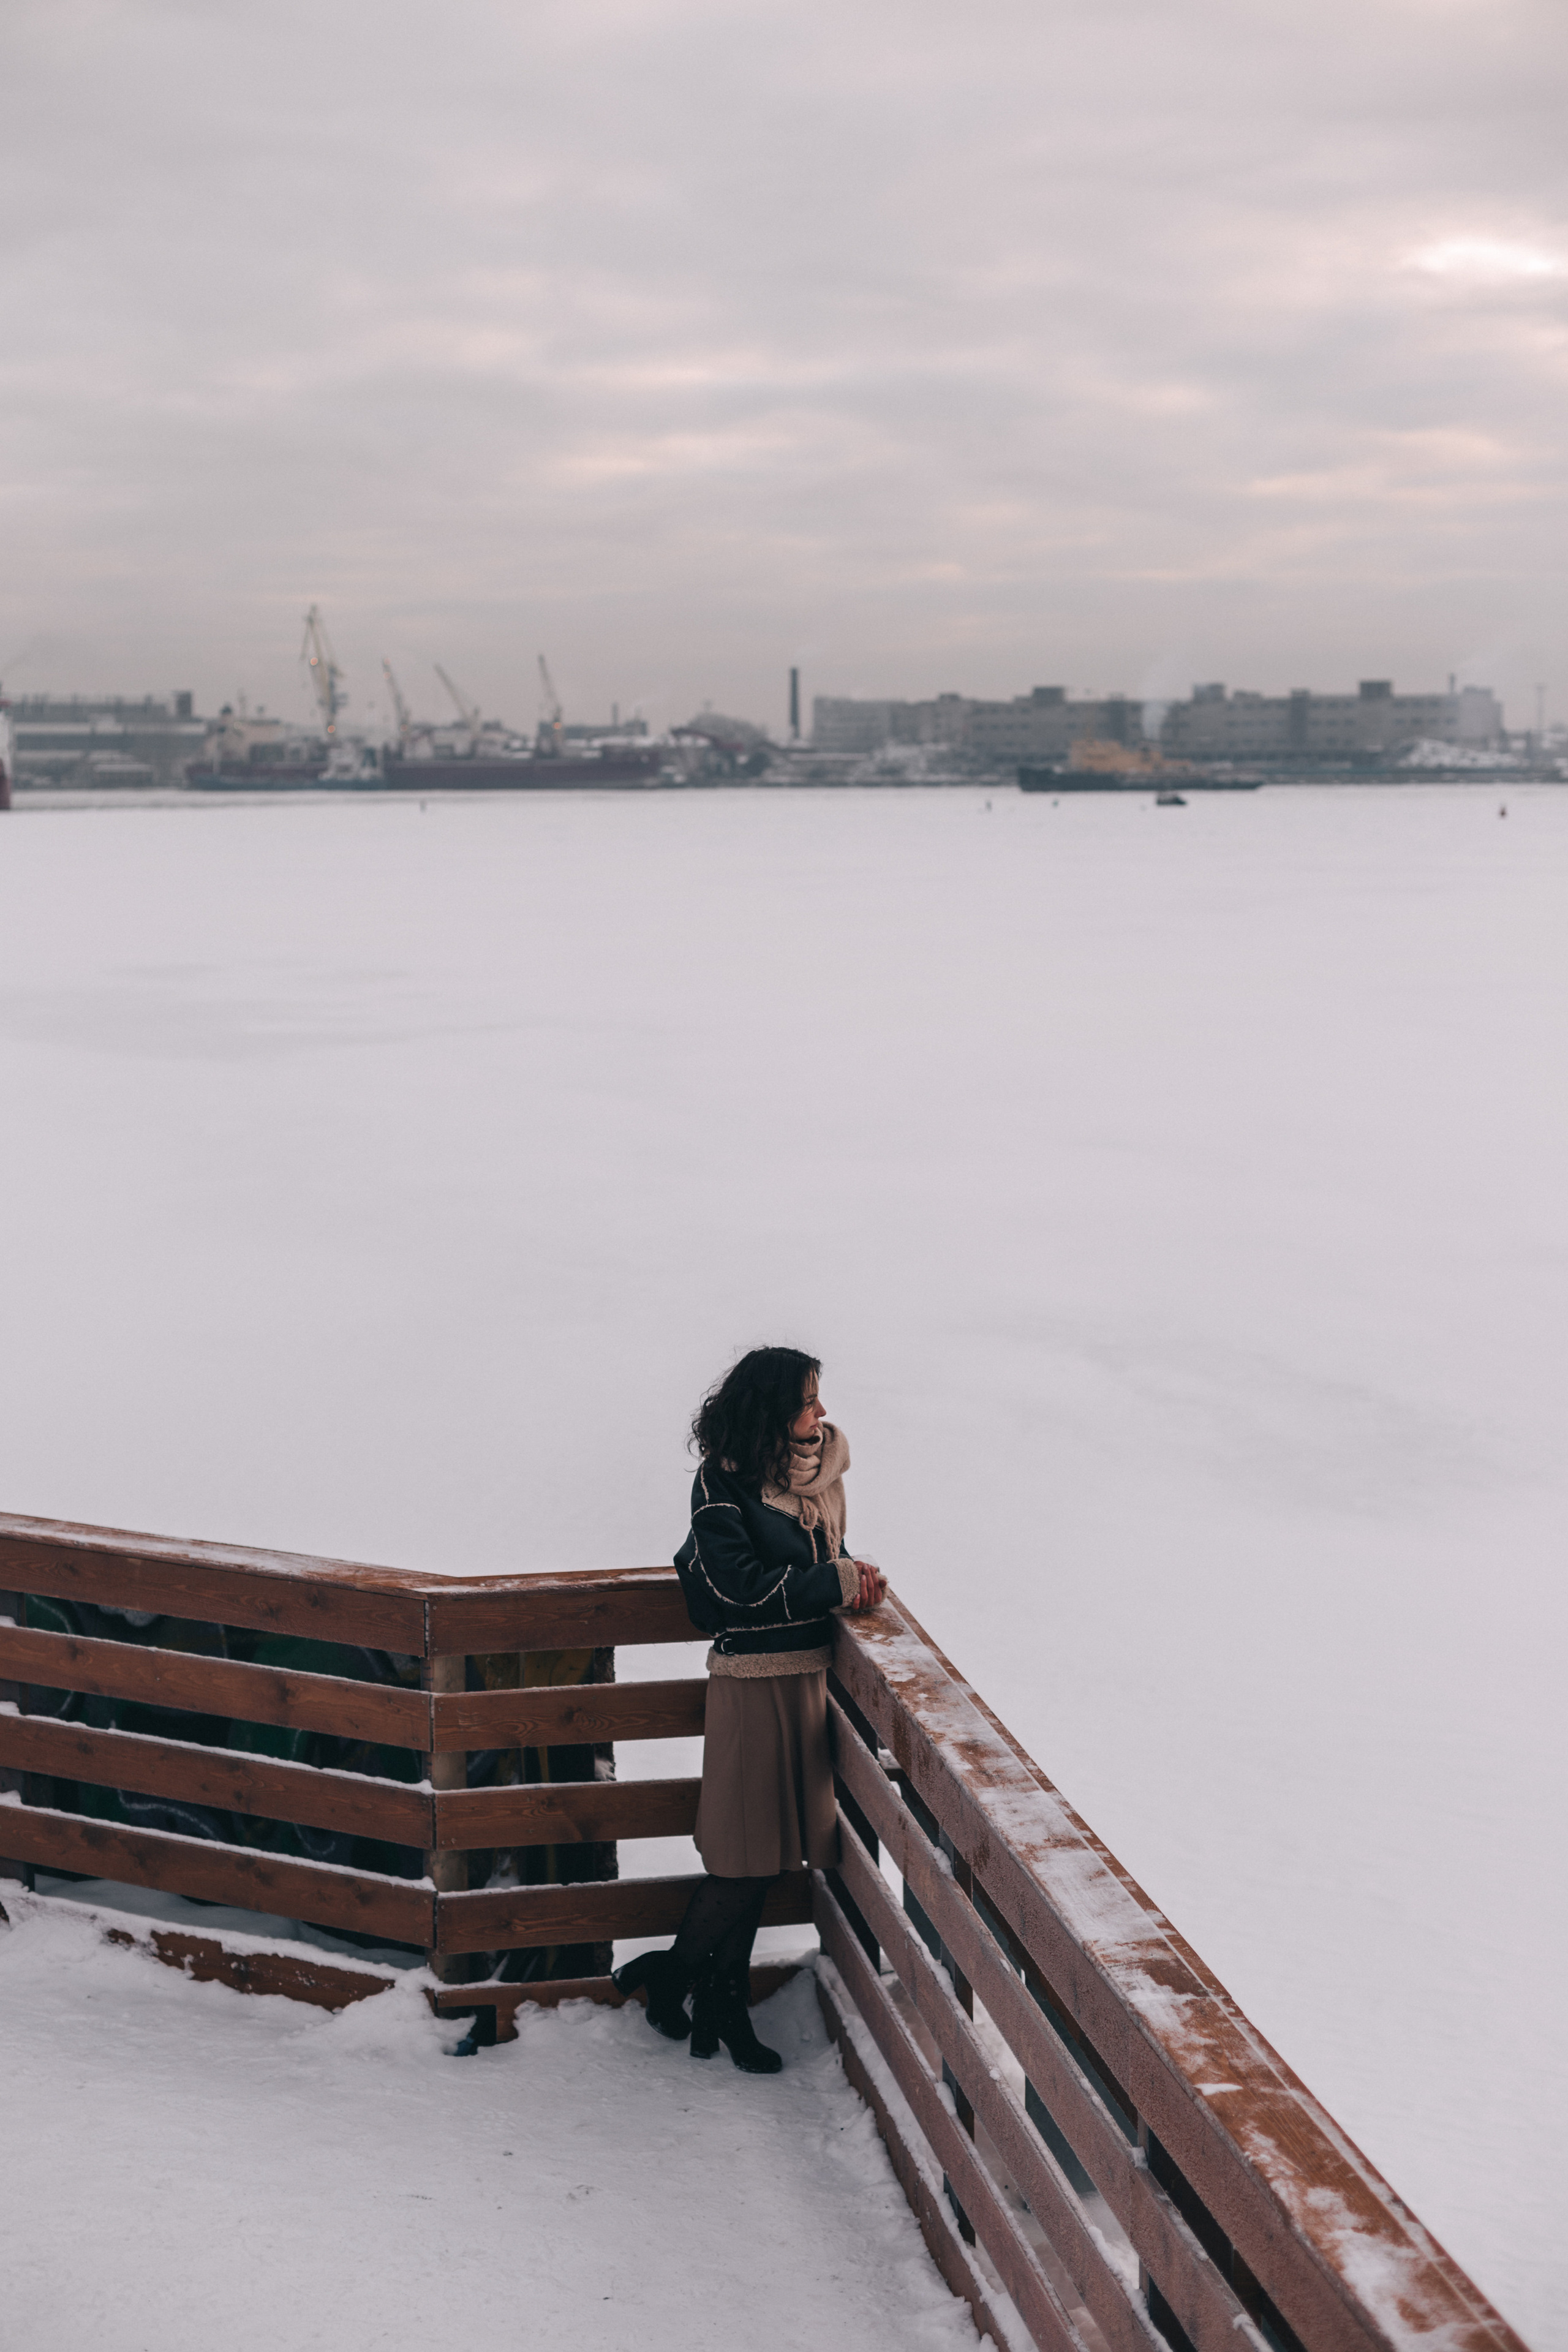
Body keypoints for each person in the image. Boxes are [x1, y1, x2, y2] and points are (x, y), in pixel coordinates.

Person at [613, 1347, 884, 2073]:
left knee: (765, 1860)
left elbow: (828, 1558)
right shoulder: (721, 1485)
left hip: (809, 1683)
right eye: (806, 1401)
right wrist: (832, 1581)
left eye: (819, 1399)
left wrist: (855, 1581)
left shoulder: (820, 1474)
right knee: (742, 1859)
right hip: (751, 1683)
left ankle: (716, 2002)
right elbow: (737, 1589)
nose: (820, 1414)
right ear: (770, 1410)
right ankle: (675, 1979)